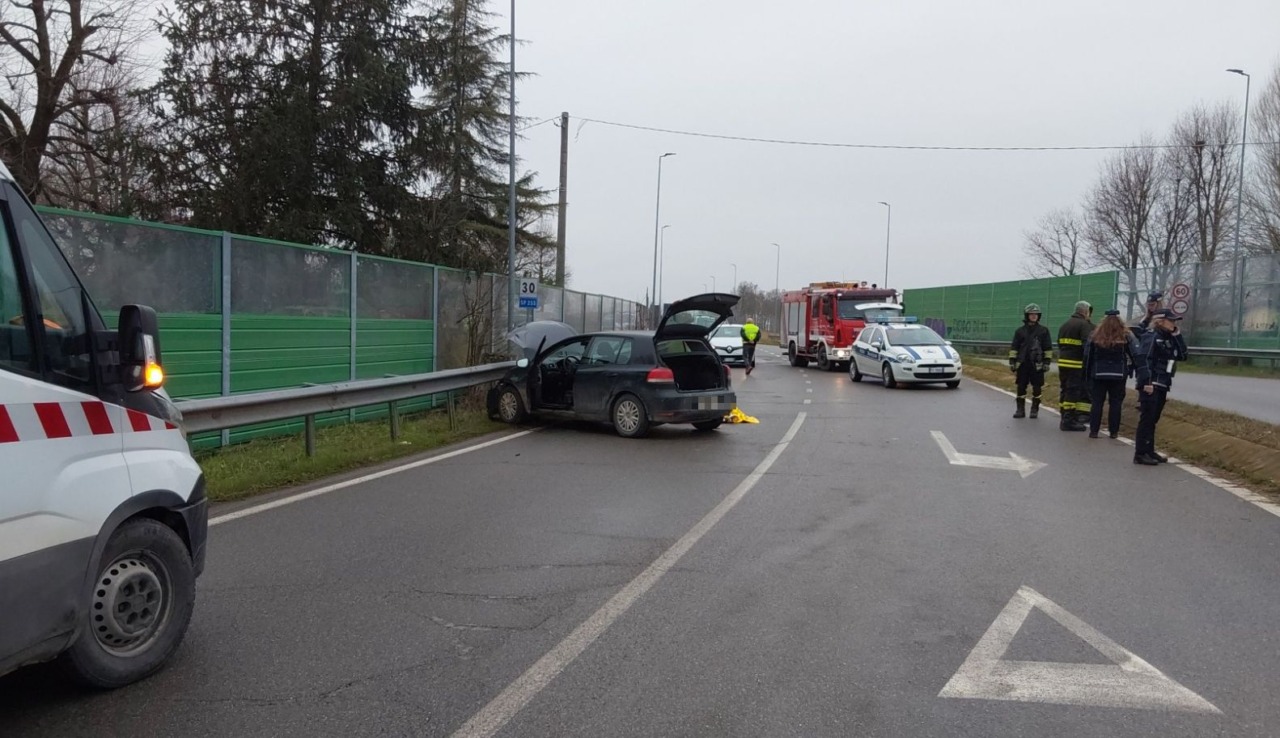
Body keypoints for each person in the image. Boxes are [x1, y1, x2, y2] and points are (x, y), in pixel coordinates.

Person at [1133, 309, 1188, 465]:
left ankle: (1149, 450)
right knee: (1147, 419)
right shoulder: (1151, 336)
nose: (1174, 323)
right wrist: (1147, 382)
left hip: (1163, 382)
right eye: (1171, 321)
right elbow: (1144, 359)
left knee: (1153, 419)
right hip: (1152, 383)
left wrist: (1177, 335)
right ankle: (1140, 453)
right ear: (1160, 321)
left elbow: (1182, 355)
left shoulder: (1168, 338)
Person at [1083, 309, 1139, 439]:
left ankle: (1094, 431)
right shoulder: (1126, 335)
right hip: (1118, 375)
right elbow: (1135, 354)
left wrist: (1086, 375)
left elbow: (1087, 356)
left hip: (1098, 374)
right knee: (1116, 403)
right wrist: (1135, 370)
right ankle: (1114, 432)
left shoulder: (1095, 335)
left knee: (1097, 403)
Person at [1008, 303, 1052, 419]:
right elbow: (1014, 348)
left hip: (1037, 364)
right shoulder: (1020, 331)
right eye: (1031, 314)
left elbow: (1048, 348)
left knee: (1037, 388)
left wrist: (1046, 362)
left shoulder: (1043, 331)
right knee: (1021, 387)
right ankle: (1020, 410)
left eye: (1036, 314)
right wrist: (1012, 362)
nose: (1034, 316)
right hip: (1022, 364)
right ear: (1027, 315)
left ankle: (1034, 409)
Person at [1056, 300, 1095, 432]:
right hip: (1076, 364)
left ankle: (1064, 414)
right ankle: (1068, 420)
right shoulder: (1084, 325)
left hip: (1063, 362)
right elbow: (1087, 346)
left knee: (1064, 389)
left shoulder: (1064, 325)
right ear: (1085, 311)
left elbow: (1060, 344)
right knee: (1073, 391)